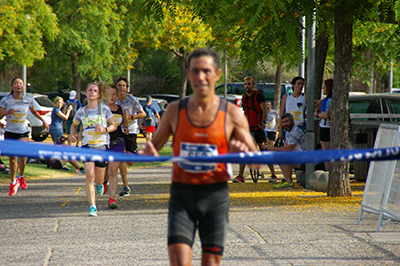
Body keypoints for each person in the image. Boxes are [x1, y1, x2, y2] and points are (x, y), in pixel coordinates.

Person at [138, 48, 259, 266]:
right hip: (182, 196)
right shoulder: (175, 111)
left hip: (215, 197)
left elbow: (255, 161)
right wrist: (146, 154)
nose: (201, 77)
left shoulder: (232, 114)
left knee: (211, 263)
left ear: (217, 75)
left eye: (206, 71)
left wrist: (242, 151)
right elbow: (153, 150)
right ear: (188, 74)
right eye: (195, 71)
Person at [69, 82, 117, 216]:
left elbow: (114, 125)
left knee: (98, 179)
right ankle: (93, 207)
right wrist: (73, 135)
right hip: (87, 147)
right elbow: (74, 126)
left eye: (94, 90)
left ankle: (100, 184)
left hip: (101, 147)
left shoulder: (104, 109)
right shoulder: (81, 111)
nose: (92, 92)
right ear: (86, 93)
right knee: (89, 175)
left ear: (98, 94)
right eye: (89, 90)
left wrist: (105, 129)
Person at [0, 77, 50, 196]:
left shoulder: (28, 100)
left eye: (20, 84)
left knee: (23, 156)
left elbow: (34, 112)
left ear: (23, 87)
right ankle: (13, 182)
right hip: (10, 132)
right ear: (12, 87)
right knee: (12, 159)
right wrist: (6, 113)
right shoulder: (6, 100)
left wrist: (43, 120)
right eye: (16, 83)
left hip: (22, 131)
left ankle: (21, 176)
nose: (18, 85)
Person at [115, 76, 146, 196]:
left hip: (131, 130)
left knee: (130, 161)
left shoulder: (132, 100)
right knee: (120, 156)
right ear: (116, 87)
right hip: (118, 130)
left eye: (124, 85)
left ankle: (134, 152)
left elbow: (142, 113)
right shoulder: (113, 100)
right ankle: (125, 186)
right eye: (119, 85)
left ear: (127, 88)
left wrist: (131, 117)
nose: (122, 88)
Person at [233, 76, 267, 183]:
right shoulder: (244, 97)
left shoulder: (258, 96)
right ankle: (240, 175)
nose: (247, 86)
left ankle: (273, 174)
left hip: (258, 125)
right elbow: (246, 112)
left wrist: (263, 122)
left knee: (262, 147)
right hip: (248, 126)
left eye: (249, 84)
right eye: (245, 84)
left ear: (253, 85)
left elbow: (264, 110)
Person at [265, 113, 306, 189]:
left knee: (282, 156)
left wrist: (272, 148)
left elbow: (288, 148)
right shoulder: (288, 132)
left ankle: (288, 181)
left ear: (292, 121)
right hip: (298, 158)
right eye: (283, 122)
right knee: (281, 155)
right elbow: (286, 148)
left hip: (305, 160)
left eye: (287, 121)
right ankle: (287, 179)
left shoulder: (295, 131)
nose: (285, 124)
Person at [105, 84, 129, 209]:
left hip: (118, 143)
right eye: (110, 94)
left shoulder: (121, 109)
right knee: (104, 170)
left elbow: (125, 124)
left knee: (113, 171)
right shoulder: (101, 109)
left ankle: (112, 199)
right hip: (103, 143)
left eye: (114, 94)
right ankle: (102, 182)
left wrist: (125, 129)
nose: (112, 96)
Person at [315, 79, 333, 171]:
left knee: (326, 154)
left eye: (325, 87)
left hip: (325, 128)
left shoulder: (327, 101)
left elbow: (325, 115)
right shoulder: (335, 100)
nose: (323, 88)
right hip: (333, 128)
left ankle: (328, 172)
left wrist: (317, 115)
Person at [264, 100, 279, 182]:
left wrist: (277, 127)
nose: (268, 105)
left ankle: (272, 156)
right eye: (267, 104)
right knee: (266, 145)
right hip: (266, 130)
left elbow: (278, 120)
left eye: (269, 104)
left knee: (271, 145)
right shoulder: (264, 112)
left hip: (272, 130)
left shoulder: (274, 112)